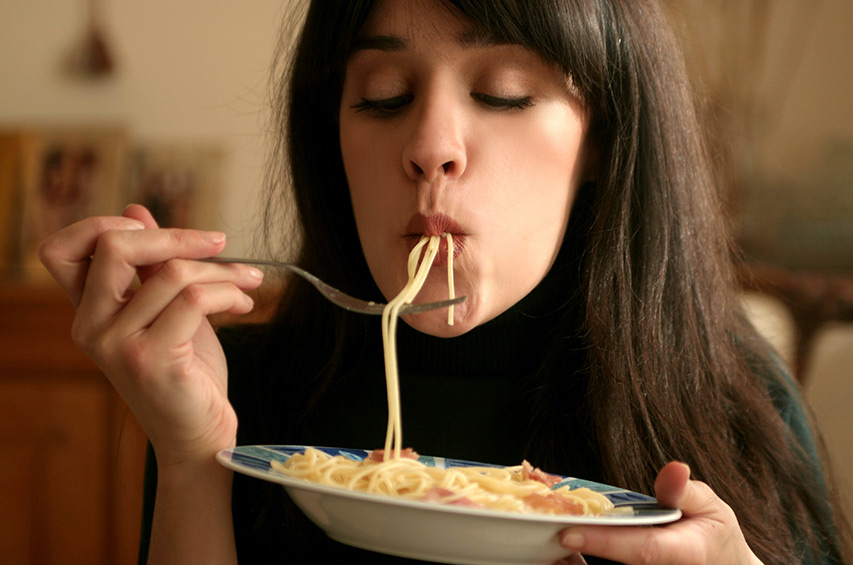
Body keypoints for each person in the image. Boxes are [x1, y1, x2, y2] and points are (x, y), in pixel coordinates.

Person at [38, 1, 851, 563]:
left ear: (600, 140)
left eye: (501, 93)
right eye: (383, 98)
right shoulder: (230, 396)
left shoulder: (726, 397)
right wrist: (191, 461)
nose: (430, 146)